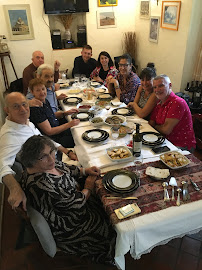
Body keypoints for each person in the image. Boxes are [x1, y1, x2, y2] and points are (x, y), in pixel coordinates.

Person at [20, 135, 116, 265]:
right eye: (44, 156)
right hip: (72, 223)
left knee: (109, 199)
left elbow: (67, 168)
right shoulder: (42, 185)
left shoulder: (47, 165)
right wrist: (88, 186)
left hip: (77, 199)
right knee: (112, 226)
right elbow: (76, 205)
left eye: (51, 152)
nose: (51, 158)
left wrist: (85, 171)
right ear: (31, 161)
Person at [0, 92, 77, 211]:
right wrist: (15, 188)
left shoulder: (26, 122)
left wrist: (67, 151)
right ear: (7, 110)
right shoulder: (9, 135)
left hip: (55, 161)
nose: (23, 109)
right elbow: (2, 166)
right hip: (48, 176)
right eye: (16, 106)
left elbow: (45, 141)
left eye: (24, 104)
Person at [149, 74, 196, 151]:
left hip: (181, 146)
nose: (157, 90)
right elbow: (151, 122)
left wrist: (156, 126)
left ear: (170, 85)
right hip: (165, 141)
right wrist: (158, 126)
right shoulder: (160, 102)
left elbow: (166, 130)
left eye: (161, 86)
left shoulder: (177, 102)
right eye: (155, 87)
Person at [29, 78, 79, 148]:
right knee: (77, 138)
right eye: (38, 90)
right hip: (52, 140)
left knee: (77, 129)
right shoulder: (35, 109)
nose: (42, 92)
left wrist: (65, 113)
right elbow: (49, 131)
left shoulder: (45, 101)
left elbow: (51, 115)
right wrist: (69, 124)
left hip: (57, 129)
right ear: (32, 92)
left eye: (43, 89)